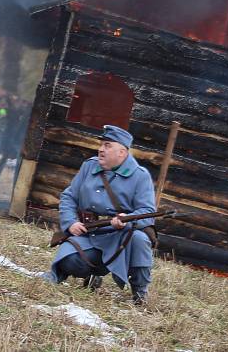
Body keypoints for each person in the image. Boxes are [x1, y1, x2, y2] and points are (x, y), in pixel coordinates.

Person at [42, 125, 156, 305]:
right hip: (89, 233)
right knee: (70, 261)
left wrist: (125, 220)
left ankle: (140, 294)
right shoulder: (89, 166)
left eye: (107, 145)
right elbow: (69, 197)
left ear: (122, 152)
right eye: (101, 145)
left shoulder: (140, 176)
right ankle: (68, 275)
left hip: (119, 237)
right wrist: (71, 222)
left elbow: (148, 213)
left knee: (140, 240)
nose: (101, 149)